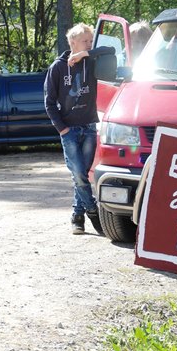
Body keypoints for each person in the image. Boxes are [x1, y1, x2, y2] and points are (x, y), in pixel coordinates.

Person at [44, 23, 115, 235]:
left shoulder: (91, 61)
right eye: (85, 41)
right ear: (72, 42)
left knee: (82, 174)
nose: (89, 44)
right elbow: (49, 102)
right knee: (78, 173)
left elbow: (110, 51)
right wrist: (62, 129)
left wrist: (85, 53)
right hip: (69, 130)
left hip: (89, 126)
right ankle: (92, 211)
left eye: (90, 41)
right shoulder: (57, 68)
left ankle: (77, 216)